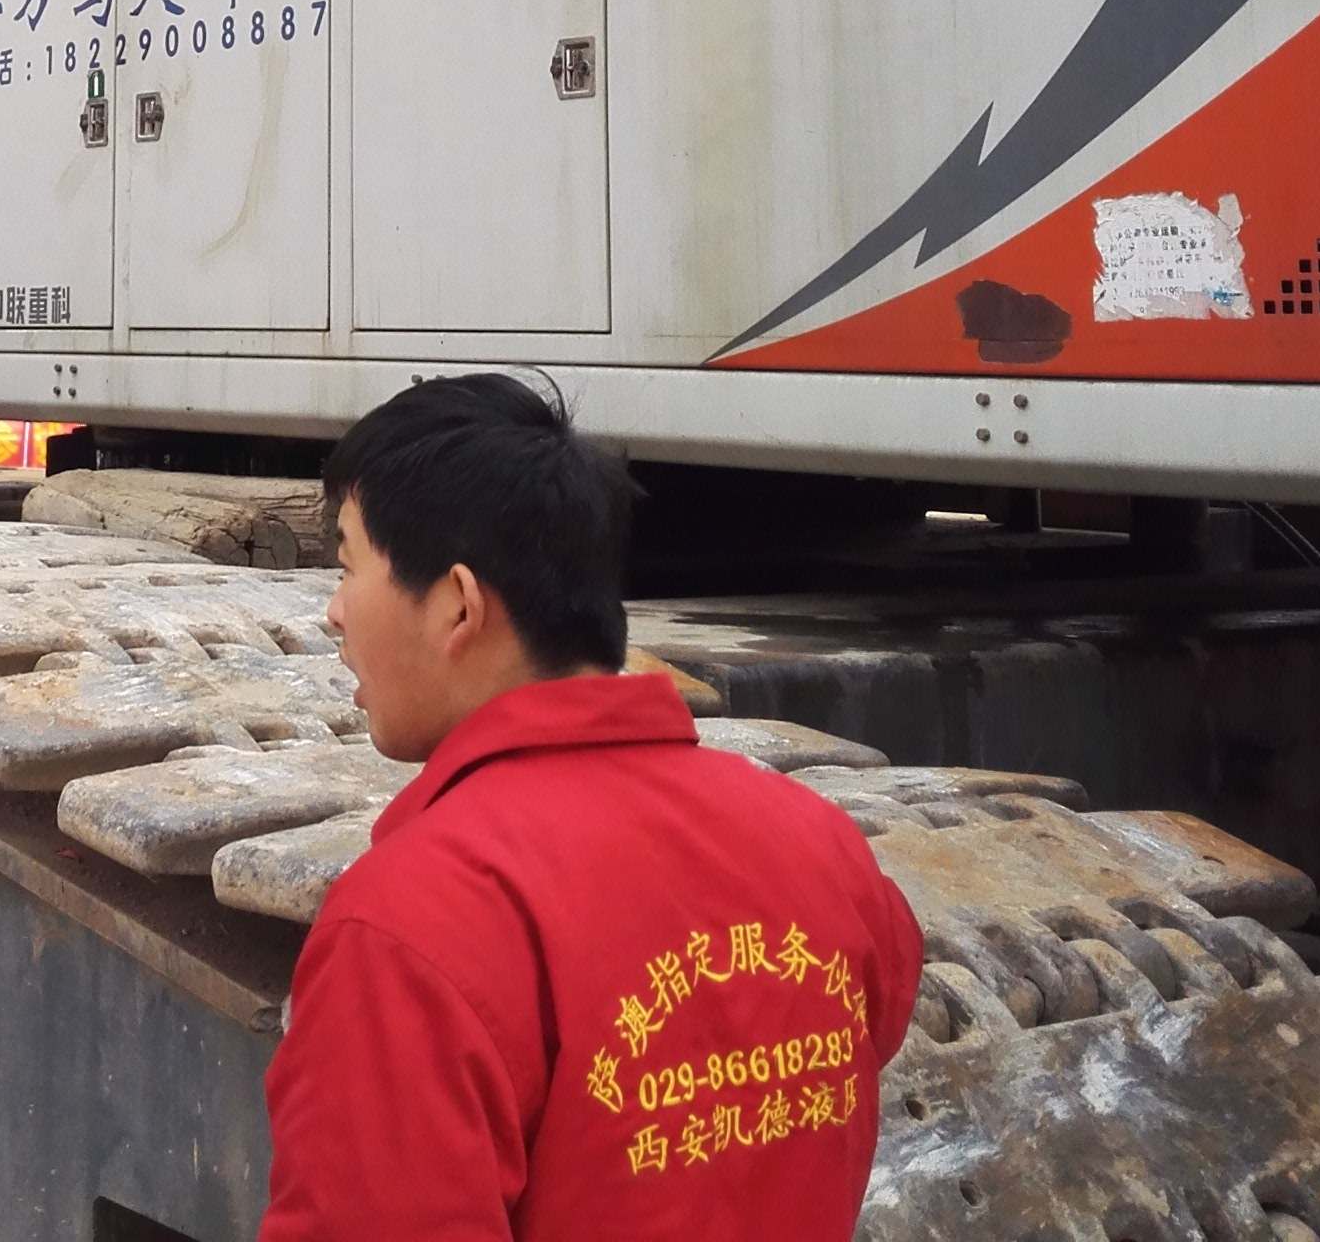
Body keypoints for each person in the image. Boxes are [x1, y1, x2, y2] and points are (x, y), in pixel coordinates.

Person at [259, 374, 924, 1241]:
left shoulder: (409, 929)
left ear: (457, 605)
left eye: (348, 568)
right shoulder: (820, 845)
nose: (333, 612)